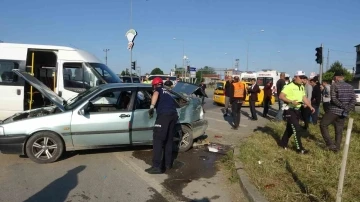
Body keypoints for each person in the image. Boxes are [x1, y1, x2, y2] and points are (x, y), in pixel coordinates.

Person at [145, 77, 179, 174]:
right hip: (173, 115)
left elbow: (155, 94)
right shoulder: (167, 91)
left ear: (155, 85)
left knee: (158, 140)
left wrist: (151, 107)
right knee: (168, 140)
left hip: (164, 115)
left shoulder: (158, 90)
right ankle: (168, 164)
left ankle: (157, 167)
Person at [279, 71, 315, 154]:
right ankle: (300, 149)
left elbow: (304, 97)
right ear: (295, 77)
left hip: (297, 110)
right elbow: (281, 96)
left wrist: (310, 106)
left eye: (303, 78)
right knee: (296, 128)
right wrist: (291, 101)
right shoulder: (289, 86)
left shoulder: (302, 86)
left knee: (290, 129)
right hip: (289, 109)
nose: (302, 79)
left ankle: (282, 144)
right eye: (301, 77)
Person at [320, 72, 356, 152]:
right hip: (343, 112)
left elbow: (333, 99)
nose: (333, 79)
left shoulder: (334, 85)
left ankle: (330, 144)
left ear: (336, 77)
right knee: (339, 130)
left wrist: (343, 106)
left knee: (323, 124)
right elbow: (354, 100)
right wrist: (347, 108)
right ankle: (337, 147)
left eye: (334, 78)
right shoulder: (350, 86)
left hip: (334, 110)